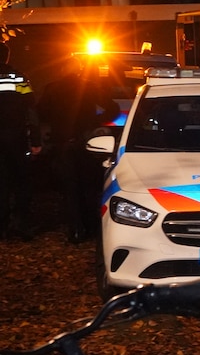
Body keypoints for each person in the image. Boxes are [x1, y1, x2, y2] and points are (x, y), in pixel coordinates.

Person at [39, 58, 119, 243]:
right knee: (89, 187)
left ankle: (75, 231)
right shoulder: (89, 86)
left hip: (63, 143)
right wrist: (96, 122)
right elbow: (113, 107)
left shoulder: (52, 89)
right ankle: (91, 228)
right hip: (86, 143)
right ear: (79, 70)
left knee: (70, 188)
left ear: (62, 69)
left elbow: (41, 112)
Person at [0, 42, 41, 241]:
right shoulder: (18, 78)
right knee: (21, 181)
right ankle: (21, 224)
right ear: (7, 57)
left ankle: (2, 226)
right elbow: (31, 110)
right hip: (15, 137)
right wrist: (36, 140)